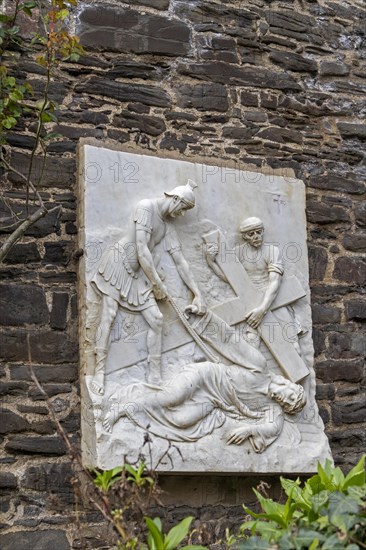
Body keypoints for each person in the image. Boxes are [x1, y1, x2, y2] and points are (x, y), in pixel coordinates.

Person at [89, 180, 206, 395]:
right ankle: (98, 372)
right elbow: (141, 248)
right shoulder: (145, 207)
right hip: (119, 263)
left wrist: (197, 294)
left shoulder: (168, 227)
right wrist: (157, 284)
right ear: (176, 199)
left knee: (157, 320)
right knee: (109, 314)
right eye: (183, 209)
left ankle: (154, 375)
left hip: (142, 273)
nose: (181, 215)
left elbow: (181, 262)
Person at [102, 359, 306, 453]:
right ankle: (122, 407)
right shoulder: (260, 368)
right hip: (206, 376)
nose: (284, 401)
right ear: (288, 384)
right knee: (172, 397)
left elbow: (273, 427)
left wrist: (250, 429)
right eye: (289, 396)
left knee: (181, 421)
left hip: (213, 401)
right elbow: (230, 341)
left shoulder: (272, 408)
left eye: (288, 405)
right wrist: (205, 315)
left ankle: (133, 409)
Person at [206, 216, 305, 351]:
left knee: (293, 344)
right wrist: (211, 262)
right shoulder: (238, 252)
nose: (256, 236)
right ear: (244, 236)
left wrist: (262, 310)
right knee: (252, 346)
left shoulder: (271, 251)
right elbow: (230, 279)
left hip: (273, 299)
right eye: (251, 234)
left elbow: (275, 282)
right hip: (249, 302)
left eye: (259, 232)